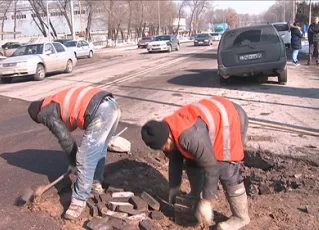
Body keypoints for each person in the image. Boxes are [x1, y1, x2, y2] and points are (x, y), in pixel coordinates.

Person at [141, 96, 250, 230]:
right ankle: (195, 193)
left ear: (169, 137)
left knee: (225, 168)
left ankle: (241, 217)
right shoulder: (167, 129)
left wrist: (207, 201)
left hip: (231, 118)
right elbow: (175, 160)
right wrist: (174, 190)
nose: (166, 150)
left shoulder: (189, 137)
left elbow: (211, 166)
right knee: (192, 160)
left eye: (165, 147)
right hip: (210, 123)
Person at [27, 86, 121, 220]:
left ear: (38, 116)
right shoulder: (54, 100)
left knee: (84, 158)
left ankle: (78, 201)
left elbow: (65, 138)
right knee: (99, 150)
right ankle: (95, 183)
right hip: (112, 106)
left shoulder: (45, 113)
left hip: (101, 111)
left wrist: (73, 161)